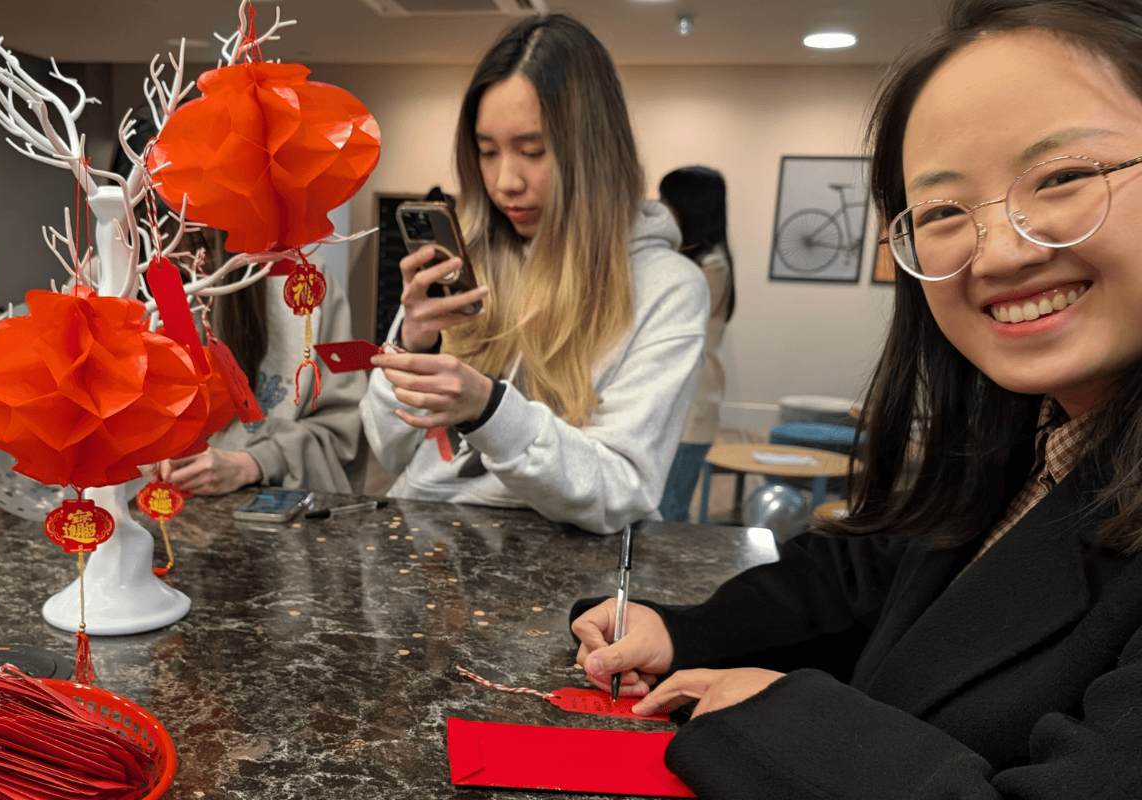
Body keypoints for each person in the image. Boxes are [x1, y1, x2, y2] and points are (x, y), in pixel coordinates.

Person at [570, 0, 1142, 796]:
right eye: (943, 211)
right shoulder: (1021, 433)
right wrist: (681, 628)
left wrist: (780, 718)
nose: (1002, 252)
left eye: (1065, 177)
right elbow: (861, 572)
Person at [360, 15, 709, 535]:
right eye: (486, 152)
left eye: (532, 151)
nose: (505, 182)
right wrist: (413, 344)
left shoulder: (668, 287)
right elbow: (390, 451)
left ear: (593, 151)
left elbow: (620, 491)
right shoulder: (472, 259)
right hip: (420, 544)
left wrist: (488, 410)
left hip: (548, 563)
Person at [161, 236, 368, 495]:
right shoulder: (115, 276)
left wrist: (253, 463)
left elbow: (344, 429)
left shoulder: (302, 281)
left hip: (260, 502)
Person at [655, 167, 735, 522]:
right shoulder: (692, 261)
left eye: (666, 200)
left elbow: (671, 327)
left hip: (691, 410)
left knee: (668, 514)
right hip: (676, 406)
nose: (661, 208)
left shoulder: (711, 267)